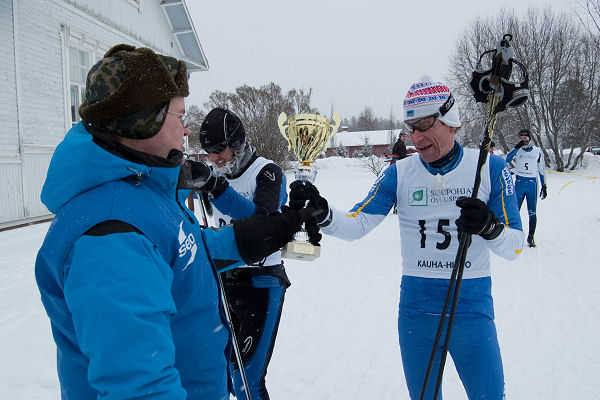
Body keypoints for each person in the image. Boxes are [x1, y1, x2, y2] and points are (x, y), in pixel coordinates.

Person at [34, 44, 317, 400]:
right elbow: (141, 389)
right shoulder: (111, 236)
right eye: (180, 117)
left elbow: (190, 249)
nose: (186, 132)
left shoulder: (141, 194)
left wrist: (275, 226)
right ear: (144, 121)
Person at [289, 81, 524, 400]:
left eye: (425, 125)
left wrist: (488, 226)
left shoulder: (489, 168)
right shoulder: (399, 173)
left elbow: (515, 246)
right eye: (411, 127)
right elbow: (357, 224)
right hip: (417, 311)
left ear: (451, 122)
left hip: (470, 309)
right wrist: (323, 213)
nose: (416, 137)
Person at [194, 107, 291, 400]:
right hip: (224, 283)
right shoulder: (216, 176)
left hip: (261, 284)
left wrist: (216, 188)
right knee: (219, 372)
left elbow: (261, 221)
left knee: (246, 380)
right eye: (208, 152)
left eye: (218, 149)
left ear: (236, 142)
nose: (213, 158)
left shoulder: (267, 171)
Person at [505, 128, 547, 247]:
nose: (524, 140)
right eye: (521, 138)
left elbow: (542, 169)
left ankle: (531, 237)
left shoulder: (537, 151)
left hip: (531, 184)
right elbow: (507, 159)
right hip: (519, 182)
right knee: (514, 211)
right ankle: (513, 236)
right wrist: (517, 147)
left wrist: (544, 185)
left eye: (525, 138)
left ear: (530, 138)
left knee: (532, 212)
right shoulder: (517, 150)